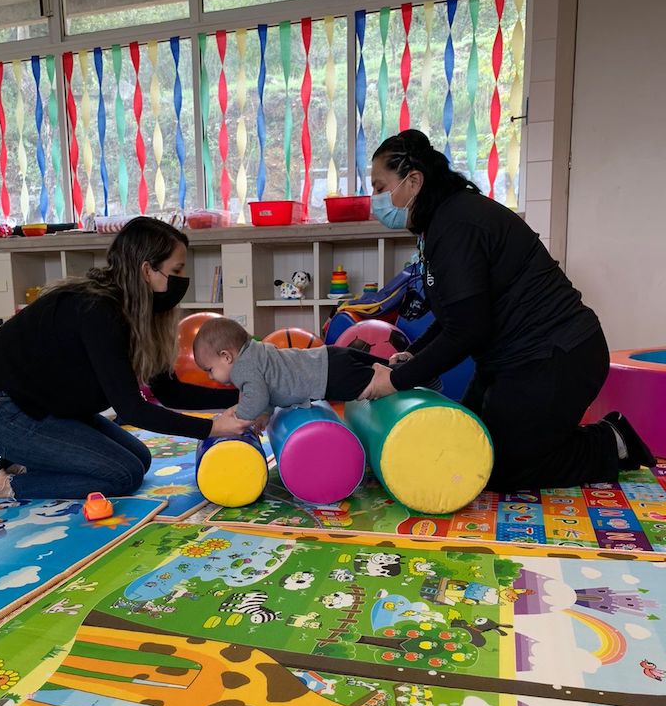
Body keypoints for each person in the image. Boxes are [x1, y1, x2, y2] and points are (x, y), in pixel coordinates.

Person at [361, 129, 654, 491]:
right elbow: (458, 314)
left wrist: (395, 380)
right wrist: (411, 355)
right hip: (511, 360)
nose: (374, 199)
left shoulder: (456, 225)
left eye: (379, 187)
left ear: (414, 181)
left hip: (556, 355)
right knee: (469, 446)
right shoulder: (442, 223)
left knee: (501, 470)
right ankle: (544, 438)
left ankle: (611, 441)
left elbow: (468, 329)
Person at [0, 217, 249, 500]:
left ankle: (18, 462)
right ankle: (0, 485)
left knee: (139, 459)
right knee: (121, 475)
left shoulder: (136, 312)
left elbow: (169, 391)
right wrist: (212, 429)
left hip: (43, 406)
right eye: (178, 269)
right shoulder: (98, 311)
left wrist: (243, 395)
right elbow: (132, 409)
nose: (183, 279)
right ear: (147, 270)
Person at [192, 317, 402, 425]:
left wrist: (238, 418)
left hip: (329, 376)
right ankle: (403, 364)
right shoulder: (256, 352)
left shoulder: (241, 368)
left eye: (210, 369)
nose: (211, 376)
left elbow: (257, 395)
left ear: (226, 356)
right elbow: (268, 386)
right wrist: (265, 414)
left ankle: (417, 379)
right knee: (386, 368)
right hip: (331, 356)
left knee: (386, 384)